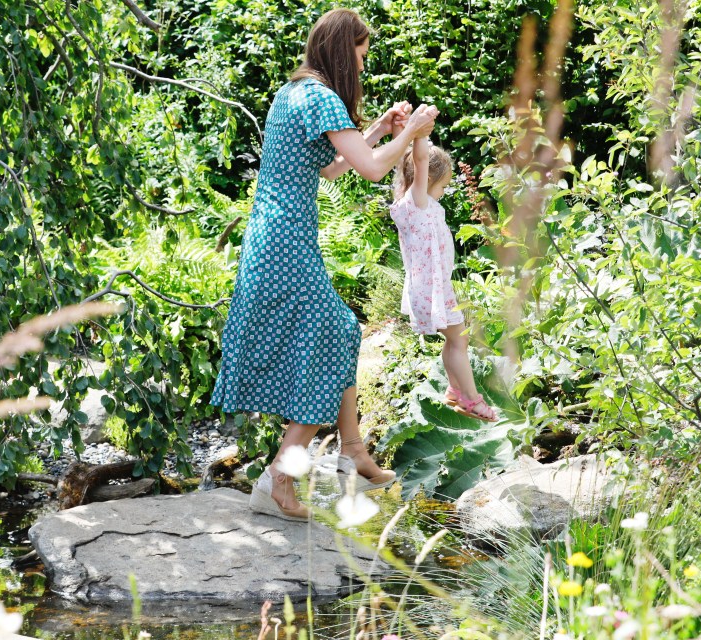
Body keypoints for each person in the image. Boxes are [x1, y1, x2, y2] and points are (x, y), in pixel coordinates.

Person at [211, 8, 439, 520]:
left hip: (274, 238)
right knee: (337, 332)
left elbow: (332, 169)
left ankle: (349, 450)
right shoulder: (319, 95)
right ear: (343, 50)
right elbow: (375, 171)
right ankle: (282, 477)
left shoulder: (295, 92)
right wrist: (415, 129)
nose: (361, 65)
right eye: (359, 54)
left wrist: (380, 127)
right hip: (286, 241)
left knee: (334, 332)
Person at [389, 137, 499, 422]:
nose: (444, 191)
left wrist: (403, 133)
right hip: (432, 290)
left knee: (455, 340)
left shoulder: (408, 203)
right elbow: (420, 160)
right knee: (459, 340)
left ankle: (455, 391)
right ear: (426, 180)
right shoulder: (417, 202)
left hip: (432, 287)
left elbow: (409, 160)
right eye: (443, 185)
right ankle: (472, 399)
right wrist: (420, 133)